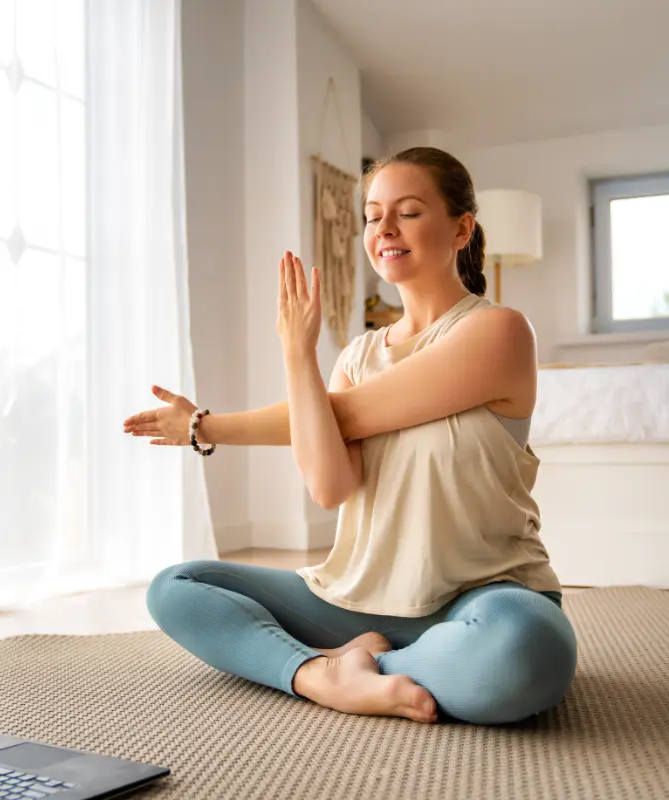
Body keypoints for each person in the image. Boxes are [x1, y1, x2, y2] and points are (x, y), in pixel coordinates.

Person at [123, 147, 577, 725]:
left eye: (408, 212)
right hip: (355, 598)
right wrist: (297, 353)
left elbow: (349, 416)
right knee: (178, 586)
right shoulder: (360, 355)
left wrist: (203, 426)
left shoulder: (497, 331)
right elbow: (330, 486)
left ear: (462, 228)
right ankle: (320, 675)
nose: (384, 228)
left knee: (526, 651)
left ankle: (356, 666)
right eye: (372, 214)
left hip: (482, 598)